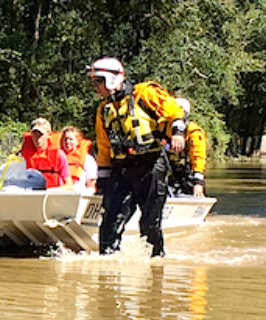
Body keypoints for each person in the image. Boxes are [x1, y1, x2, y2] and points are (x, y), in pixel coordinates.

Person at [89, 57, 186, 257]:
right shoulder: (103, 110)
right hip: (121, 169)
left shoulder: (145, 93)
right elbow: (104, 147)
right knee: (110, 220)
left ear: (112, 79)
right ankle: (107, 267)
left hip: (150, 166)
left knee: (150, 223)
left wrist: (177, 133)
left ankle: (155, 265)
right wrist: (102, 182)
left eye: (98, 81)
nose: (95, 87)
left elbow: (174, 111)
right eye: (93, 82)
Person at [167, 98, 207, 198]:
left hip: (187, 173)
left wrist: (198, 182)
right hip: (168, 171)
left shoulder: (194, 132)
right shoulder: (164, 128)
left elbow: (199, 157)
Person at [19, 117, 71, 189]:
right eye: (35, 134)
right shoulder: (21, 156)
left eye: (41, 134)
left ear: (48, 134)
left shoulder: (59, 155)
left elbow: (69, 185)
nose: (38, 138)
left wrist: (50, 191)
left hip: (52, 195)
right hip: (30, 195)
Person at [60, 126, 98, 194]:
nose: (67, 142)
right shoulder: (57, 158)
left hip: (79, 194)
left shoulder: (87, 159)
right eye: (65, 139)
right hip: (60, 194)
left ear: (77, 141)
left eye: (71, 139)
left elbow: (92, 186)